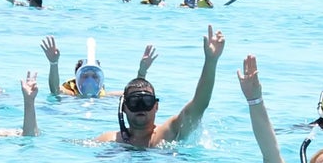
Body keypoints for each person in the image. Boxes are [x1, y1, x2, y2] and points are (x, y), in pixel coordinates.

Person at [92, 25, 224, 149]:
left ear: (156, 106)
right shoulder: (110, 139)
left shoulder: (168, 133)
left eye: (146, 101)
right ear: (124, 108)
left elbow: (199, 105)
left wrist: (211, 61)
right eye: (134, 102)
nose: (140, 107)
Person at [40, 37, 157, 98]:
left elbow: (134, 93)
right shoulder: (71, 96)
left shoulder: (105, 97)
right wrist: (53, 63)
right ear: (77, 79)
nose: (90, 80)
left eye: (94, 76)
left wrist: (142, 72)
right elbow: (55, 90)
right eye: (85, 76)